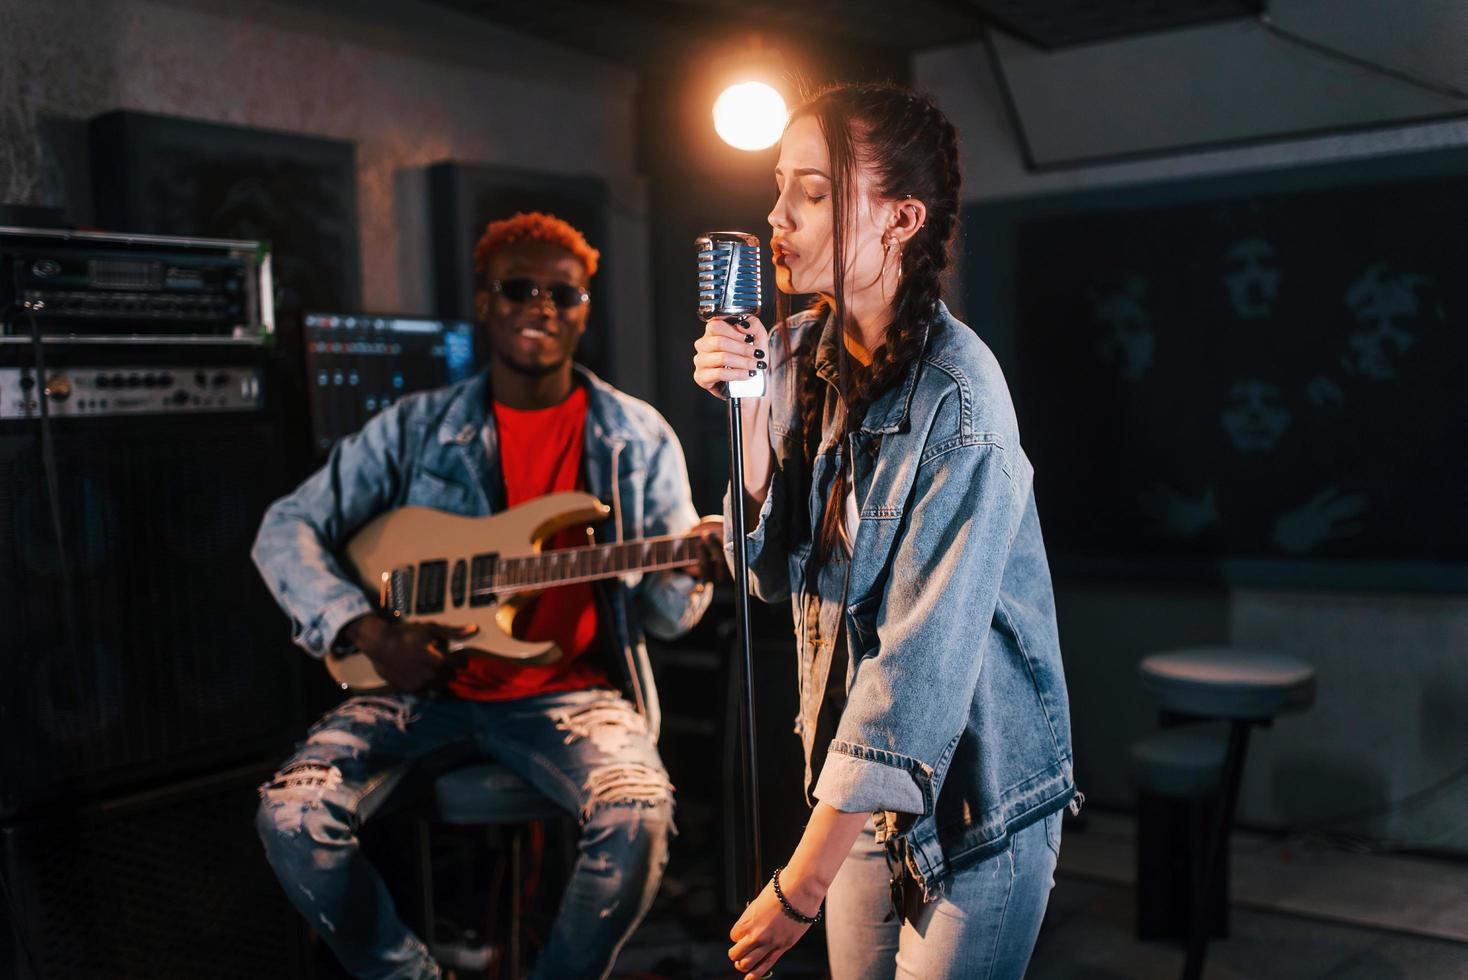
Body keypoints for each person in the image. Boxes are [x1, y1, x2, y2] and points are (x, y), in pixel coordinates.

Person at [254, 211, 718, 980]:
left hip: (570, 697)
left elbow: (667, 618)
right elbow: (285, 529)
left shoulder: (635, 438)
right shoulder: (414, 429)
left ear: (584, 310)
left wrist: (692, 568)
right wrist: (368, 631)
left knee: (639, 817)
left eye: (562, 295)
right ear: (484, 303)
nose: (541, 307)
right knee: (292, 815)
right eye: (518, 289)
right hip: (418, 694)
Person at [692, 84, 1079, 980]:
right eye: (779, 186)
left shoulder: (962, 399)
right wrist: (748, 409)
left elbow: (916, 669)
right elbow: (763, 571)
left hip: (978, 803)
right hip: (857, 790)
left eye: (815, 193)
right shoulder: (794, 354)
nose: (778, 215)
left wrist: (798, 885)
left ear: (902, 218)